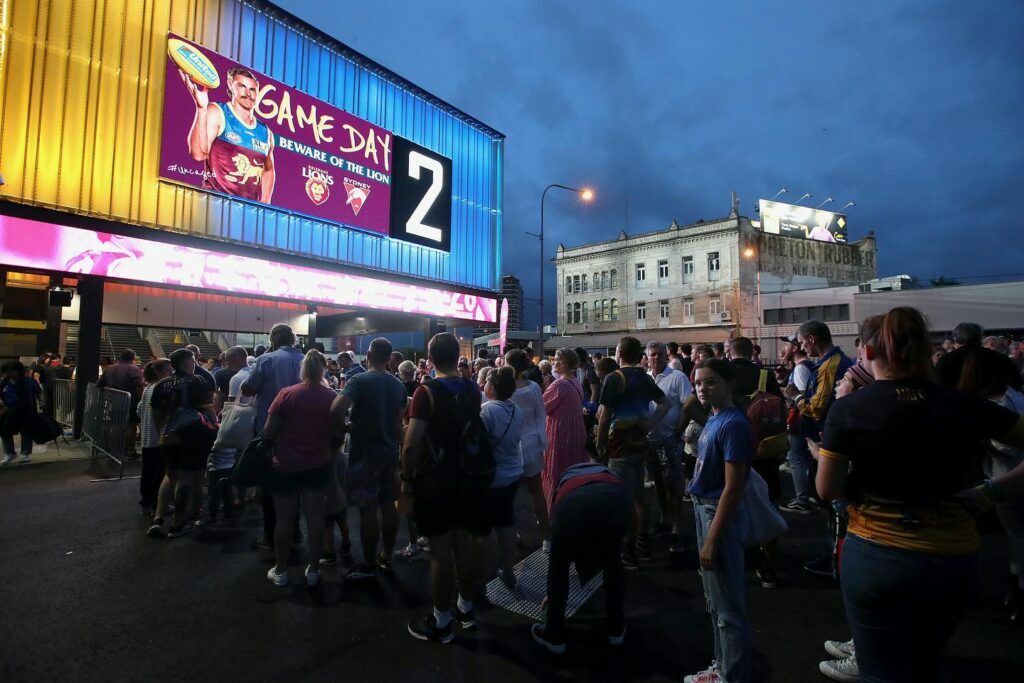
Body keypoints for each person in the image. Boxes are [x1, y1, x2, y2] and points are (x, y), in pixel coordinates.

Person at [816, 307, 1024, 682]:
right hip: (954, 552)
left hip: (878, 551)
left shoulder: (850, 409)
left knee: (881, 670)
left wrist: (824, 456)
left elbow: (827, 488)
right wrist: (990, 491)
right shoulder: (963, 404)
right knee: (925, 665)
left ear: (867, 353)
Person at [401, 333, 488, 643]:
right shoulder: (472, 389)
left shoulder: (427, 392)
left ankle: (440, 621)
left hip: (436, 481)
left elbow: (411, 445)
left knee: (439, 552)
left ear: (431, 357)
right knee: (463, 545)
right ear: (456, 355)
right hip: (469, 478)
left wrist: (407, 480)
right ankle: (465, 607)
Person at [684, 359, 755, 683]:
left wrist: (712, 539)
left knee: (727, 605)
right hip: (703, 509)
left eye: (711, 382)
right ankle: (723, 667)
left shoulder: (733, 424)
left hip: (716, 513)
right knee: (715, 601)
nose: (702, 388)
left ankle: (732, 675)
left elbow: (733, 488)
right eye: (699, 382)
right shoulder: (714, 418)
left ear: (730, 385)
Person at [530, 461, 631, 654]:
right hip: (615, 497)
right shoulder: (600, 473)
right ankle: (616, 628)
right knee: (613, 562)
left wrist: (553, 597)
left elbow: (563, 556)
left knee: (558, 565)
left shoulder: (564, 482)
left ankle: (554, 635)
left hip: (574, 500)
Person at [331, 338, 407, 580]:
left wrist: (345, 427)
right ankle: (386, 555)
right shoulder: (398, 385)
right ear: (389, 357)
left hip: (365, 454)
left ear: (370, 355)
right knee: (388, 504)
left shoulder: (359, 380)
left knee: (367, 509)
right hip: (389, 453)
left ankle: (369, 563)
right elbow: (398, 424)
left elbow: (336, 408)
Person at [261, 350, 339, 587]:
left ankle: (281, 570)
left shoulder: (286, 394)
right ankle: (314, 570)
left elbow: (267, 432)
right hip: (318, 463)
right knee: (315, 517)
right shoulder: (331, 396)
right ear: (324, 369)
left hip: (286, 464)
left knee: (284, 519)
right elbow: (336, 433)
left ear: (302, 369)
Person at [783, 320, 854, 577]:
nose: (800, 347)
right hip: (824, 440)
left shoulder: (830, 365)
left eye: (801, 341)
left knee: (829, 500)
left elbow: (816, 408)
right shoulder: (828, 362)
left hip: (827, 443)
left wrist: (796, 397)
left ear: (812, 339)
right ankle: (836, 550)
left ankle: (838, 554)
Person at [596, 337, 669, 569]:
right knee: (639, 496)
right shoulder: (644, 379)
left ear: (619, 353)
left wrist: (600, 443)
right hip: (640, 443)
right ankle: (643, 545)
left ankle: (628, 552)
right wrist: (650, 423)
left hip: (620, 446)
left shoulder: (614, 378)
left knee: (623, 500)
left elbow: (605, 415)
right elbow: (665, 404)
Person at [242, 323, 304, 550]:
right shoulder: (305, 359)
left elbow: (248, 388)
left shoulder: (266, 360)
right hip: (300, 429)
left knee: (270, 483)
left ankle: (270, 534)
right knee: (295, 480)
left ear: (273, 339)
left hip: (269, 428)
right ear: (293, 339)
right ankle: (294, 529)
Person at [180, 64, 276, 202]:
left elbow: (268, 170)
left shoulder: (266, 132)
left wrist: (265, 204)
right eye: (242, 86)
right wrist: (201, 109)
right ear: (231, 85)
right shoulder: (217, 112)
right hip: (214, 205)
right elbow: (198, 154)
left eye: (253, 89)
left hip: (247, 212)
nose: (248, 93)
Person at [147, 348, 216, 538]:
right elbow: (208, 410)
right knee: (187, 478)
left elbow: (156, 413)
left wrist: (163, 431)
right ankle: (178, 523)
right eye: (193, 360)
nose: (195, 364)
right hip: (191, 435)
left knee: (170, 476)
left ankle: (158, 519)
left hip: (167, 435)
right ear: (187, 362)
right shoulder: (196, 381)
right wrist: (214, 429)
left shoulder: (163, 384)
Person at [646, 341, 693, 554]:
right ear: (647, 357)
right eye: (652, 355)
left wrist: (678, 432)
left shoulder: (677, 377)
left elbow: (688, 405)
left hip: (669, 440)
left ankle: (676, 530)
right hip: (650, 441)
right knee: (659, 484)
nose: (655, 358)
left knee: (674, 486)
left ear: (667, 356)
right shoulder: (646, 378)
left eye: (659, 354)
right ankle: (665, 520)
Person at [481, 366, 524, 588]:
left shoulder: (487, 411)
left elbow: (479, 442)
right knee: (506, 523)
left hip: (493, 476)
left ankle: (480, 572)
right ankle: (508, 570)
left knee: (483, 527)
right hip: (514, 471)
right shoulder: (517, 409)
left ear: (492, 388)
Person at [506, 349, 551, 552]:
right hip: (532, 445)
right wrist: (543, 440)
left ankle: (512, 535)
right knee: (537, 492)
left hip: (510, 447)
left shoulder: (503, 389)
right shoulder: (533, 387)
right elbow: (541, 415)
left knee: (508, 495)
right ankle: (547, 537)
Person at [542, 348, 591, 514]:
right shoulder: (575, 381)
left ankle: (554, 513)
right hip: (576, 431)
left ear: (564, 363)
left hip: (560, 433)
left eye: (556, 359)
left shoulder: (559, 384)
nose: (553, 362)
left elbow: (542, 406)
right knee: (573, 472)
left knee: (555, 472)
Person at [936, 322, 1022, 393]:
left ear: (956, 338)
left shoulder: (946, 360)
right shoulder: (999, 358)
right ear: (980, 337)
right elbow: (1016, 383)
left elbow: (939, 388)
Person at [138, 358, 172, 513]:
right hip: (157, 436)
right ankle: (157, 505)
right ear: (158, 372)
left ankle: (146, 500)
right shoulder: (160, 387)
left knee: (148, 471)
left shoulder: (148, 387)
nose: (171, 373)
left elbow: (139, 409)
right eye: (168, 371)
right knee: (158, 473)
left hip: (147, 436)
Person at [97, 348, 145, 458]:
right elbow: (139, 385)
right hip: (130, 401)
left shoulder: (109, 369)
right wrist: (141, 400)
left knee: (116, 425)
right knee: (131, 426)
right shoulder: (133, 369)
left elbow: (99, 384)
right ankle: (130, 451)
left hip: (113, 401)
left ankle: (115, 450)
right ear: (132, 358)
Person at [0, 361, 41, 465]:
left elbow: (38, 392)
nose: (7, 373)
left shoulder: (29, 381)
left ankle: (25, 453)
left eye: (9, 371)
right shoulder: (4, 382)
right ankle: (10, 453)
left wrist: (41, 405)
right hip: (9, 411)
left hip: (26, 411)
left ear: (17, 371)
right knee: (5, 432)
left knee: (26, 432)